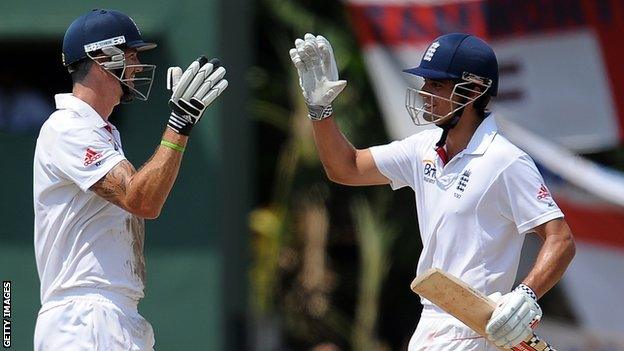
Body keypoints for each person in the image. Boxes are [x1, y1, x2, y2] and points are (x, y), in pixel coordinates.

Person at [289, 32, 576, 350]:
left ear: (474, 90)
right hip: (431, 321)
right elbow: (345, 168)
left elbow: (560, 239)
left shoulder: (504, 161)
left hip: (476, 328)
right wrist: (319, 109)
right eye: (426, 83)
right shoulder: (422, 148)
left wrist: (525, 294)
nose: (425, 92)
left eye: (437, 85)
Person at [33, 9, 228, 350]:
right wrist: (180, 122)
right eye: (131, 55)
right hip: (86, 317)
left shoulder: (101, 132)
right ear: (101, 58)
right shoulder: (68, 127)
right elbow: (141, 200)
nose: (137, 66)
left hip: (107, 314)